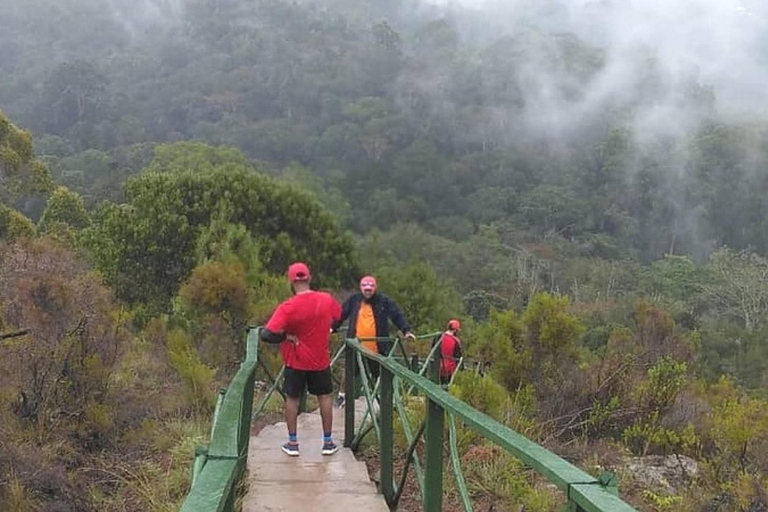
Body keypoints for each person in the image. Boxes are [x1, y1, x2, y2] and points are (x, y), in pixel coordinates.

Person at [261, 262, 342, 457]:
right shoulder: (326, 299)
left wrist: (286, 337)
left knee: (292, 399)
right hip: (320, 359)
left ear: (291, 281)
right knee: (324, 397)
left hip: (295, 360)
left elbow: (267, 334)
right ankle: (328, 442)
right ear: (309, 278)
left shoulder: (288, 307)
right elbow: (339, 316)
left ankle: (293, 443)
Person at [332, 275, 415, 407]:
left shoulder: (384, 301)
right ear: (361, 288)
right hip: (356, 345)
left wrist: (406, 330)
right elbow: (341, 314)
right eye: (365, 288)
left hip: (377, 346)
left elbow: (396, 315)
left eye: (370, 288)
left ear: (375, 288)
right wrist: (332, 327)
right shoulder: (354, 300)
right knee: (348, 372)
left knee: (380, 374)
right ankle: (342, 396)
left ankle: (385, 402)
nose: (368, 291)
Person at [439, 319, 463, 385]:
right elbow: (458, 356)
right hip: (450, 368)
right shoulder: (456, 341)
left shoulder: (439, 337)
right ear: (455, 330)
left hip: (438, 366)